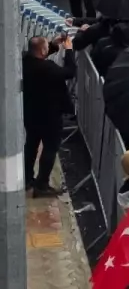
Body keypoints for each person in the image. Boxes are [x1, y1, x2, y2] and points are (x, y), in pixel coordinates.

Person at [23, 35, 75, 197]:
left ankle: (26, 178)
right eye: (47, 47)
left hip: (31, 113)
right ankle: (42, 184)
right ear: (43, 51)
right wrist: (69, 50)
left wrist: (53, 44)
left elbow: (39, 53)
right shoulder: (48, 68)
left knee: (31, 144)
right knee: (50, 148)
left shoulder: (25, 61)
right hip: (50, 116)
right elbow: (69, 72)